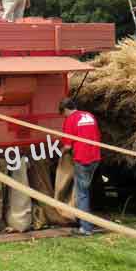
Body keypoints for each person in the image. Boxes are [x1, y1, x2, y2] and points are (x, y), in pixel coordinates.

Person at [59, 98, 102, 236]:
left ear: (65, 110)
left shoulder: (70, 120)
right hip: (95, 157)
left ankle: (85, 228)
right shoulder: (89, 115)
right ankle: (86, 221)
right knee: (86, 190)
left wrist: (60, 155)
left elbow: (67, 146)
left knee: (81, 194)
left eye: (63, 114)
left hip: (82, 159)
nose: (64, 116)